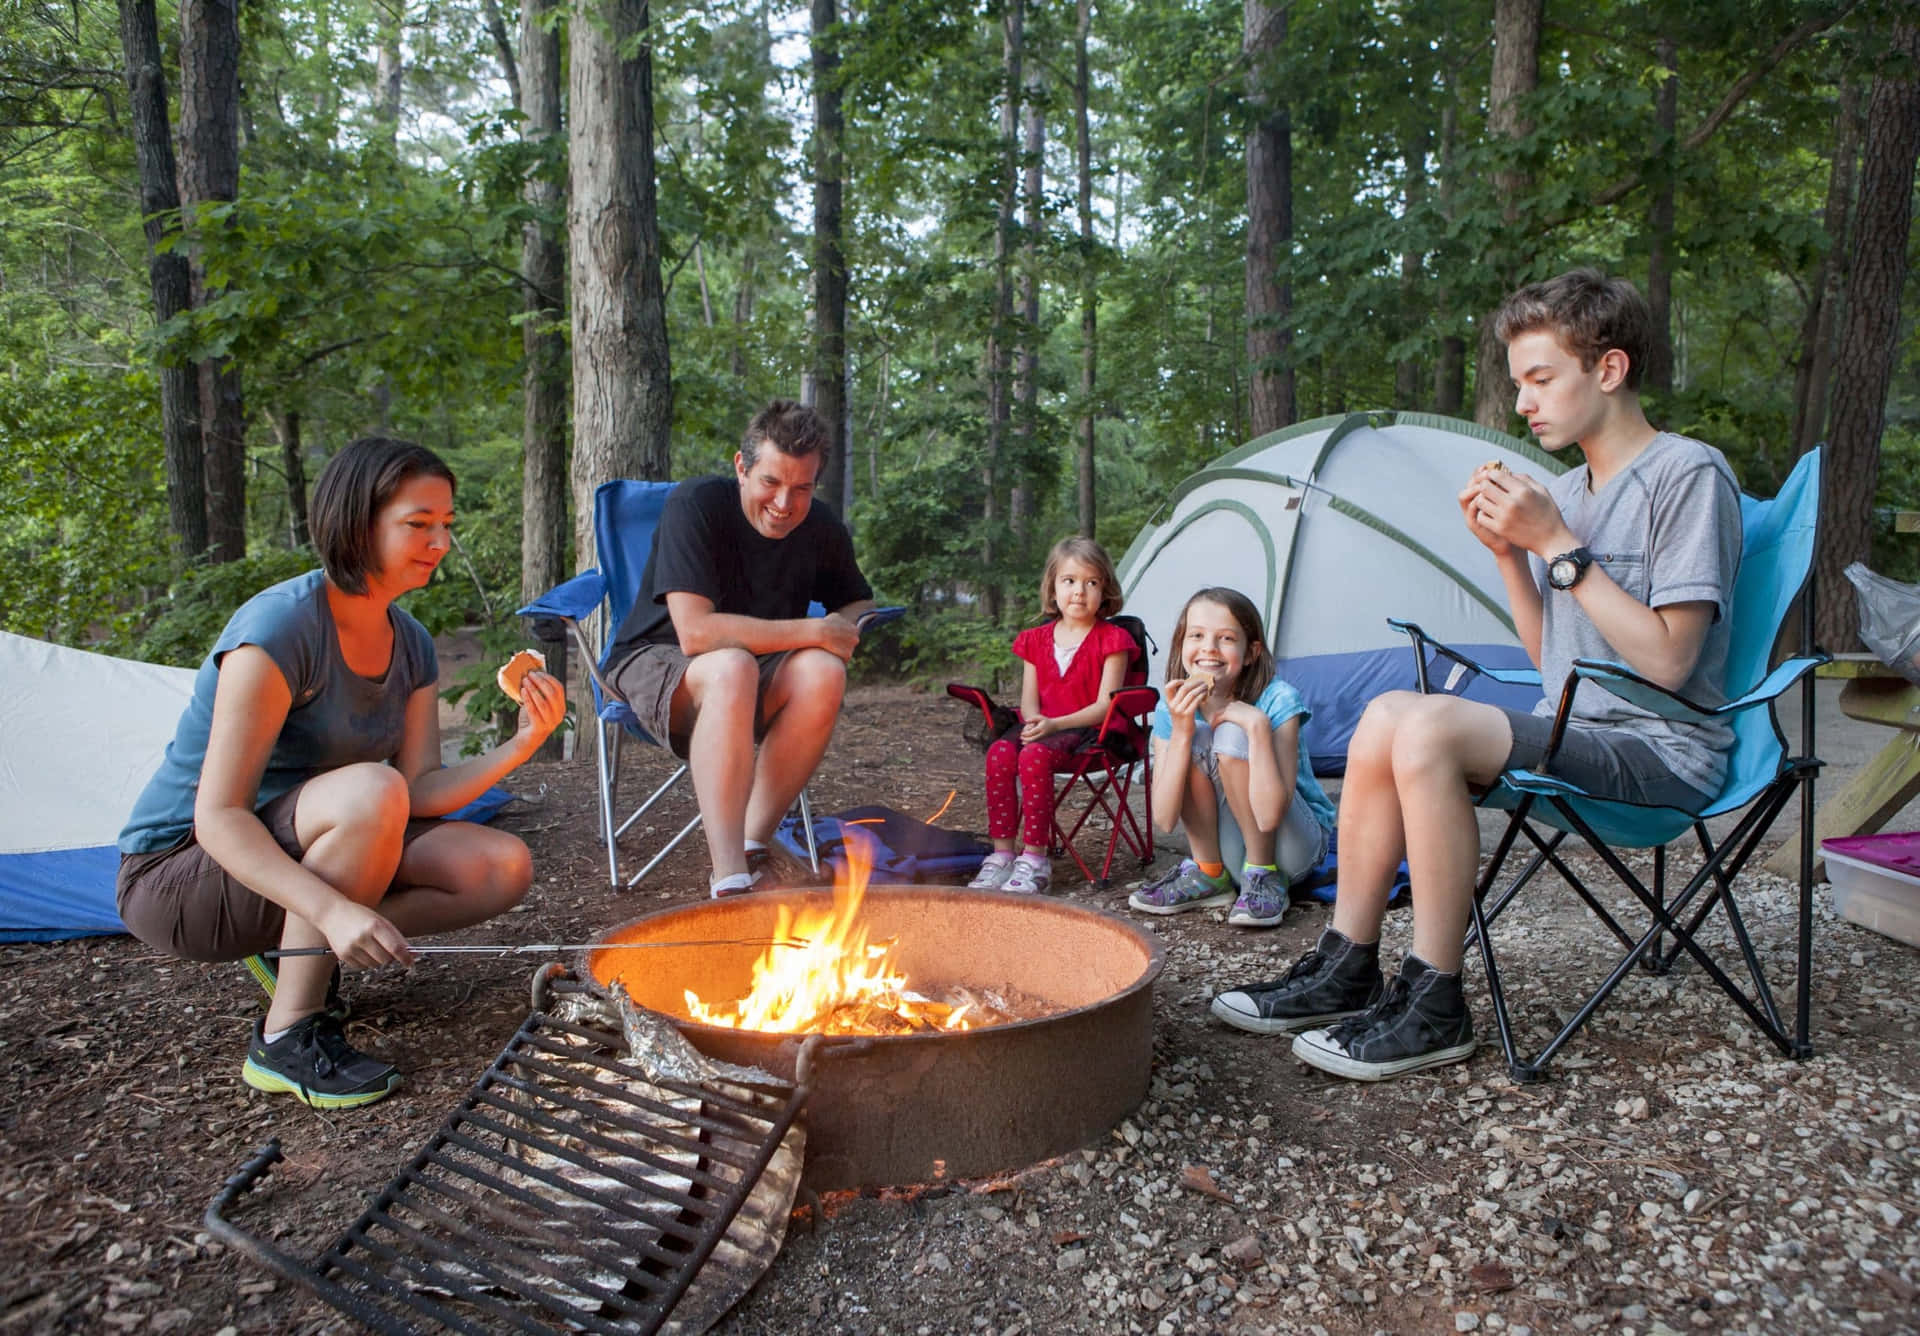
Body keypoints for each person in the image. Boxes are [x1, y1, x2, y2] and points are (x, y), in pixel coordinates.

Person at [1211, 268, 1742, 1081]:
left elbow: (1671, 659)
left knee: (1426, 725)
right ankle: (1347, 964)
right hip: (1579, 729)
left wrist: (1557, 545)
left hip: (1663, 750)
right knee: (1389, 710)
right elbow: (1550, 662)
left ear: (1609, 370)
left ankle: (1434, 1002)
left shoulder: (1686, 475)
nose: (1524, 402)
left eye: (1540, 379)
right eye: (1518, 382)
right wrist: (1508, 555)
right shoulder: (1566, 490)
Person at [117, 437, 567, 1109]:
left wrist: (523, 744)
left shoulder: (408, 640)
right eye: (418, 524)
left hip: (294, 851)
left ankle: (299, 951)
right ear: (357, 522)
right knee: (371, 789)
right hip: (182, 875)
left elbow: (421, 789)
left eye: (446, 525)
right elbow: (218, 816)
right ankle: (286, 1037)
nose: (440, 541)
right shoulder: (278, 630)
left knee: (500, 865)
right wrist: (330, 910)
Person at [603, 400, 875, 897]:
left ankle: (752, 846)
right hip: (656, 661)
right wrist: (815, 632)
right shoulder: (698, 504)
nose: (784, 503)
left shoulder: (820, 527)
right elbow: (696, 635)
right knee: (731, 665)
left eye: (802, 488)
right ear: (741, 467)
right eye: (770, 482)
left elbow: (856, 601)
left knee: (822, 672)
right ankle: (729, 879)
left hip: (753, 674)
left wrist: (844, 627)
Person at [1126, 587, 1336, 928]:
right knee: (1196, 736)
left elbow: (1270, 817)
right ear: (1181, 646)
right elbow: (1163, 820)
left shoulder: (1279, 699)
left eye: (1225, 638)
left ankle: (1263, 875)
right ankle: (1208, 874)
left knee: (1231, 732)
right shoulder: (1171, 705)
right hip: (1230, 843)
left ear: (1251, 652)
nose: (1208, 648)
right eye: (1196, 635)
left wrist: (1256, 729)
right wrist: (1181, 732)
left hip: (1290, 847)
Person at [967, 537, 1138, 894]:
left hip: (1090, 731)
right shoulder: (1034, 640)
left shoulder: (1114, 640)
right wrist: (1033, 723)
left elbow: (1106, 706)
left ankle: (1034, 858)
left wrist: (1054, 725)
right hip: (1043, 725)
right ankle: (1002, 855)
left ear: (1105, 590)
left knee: (1033, 755)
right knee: (1000, 751)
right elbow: (1028, 701)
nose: (1079, 592)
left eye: (1092, 583)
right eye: (1070, 581)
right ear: (1053, 586)